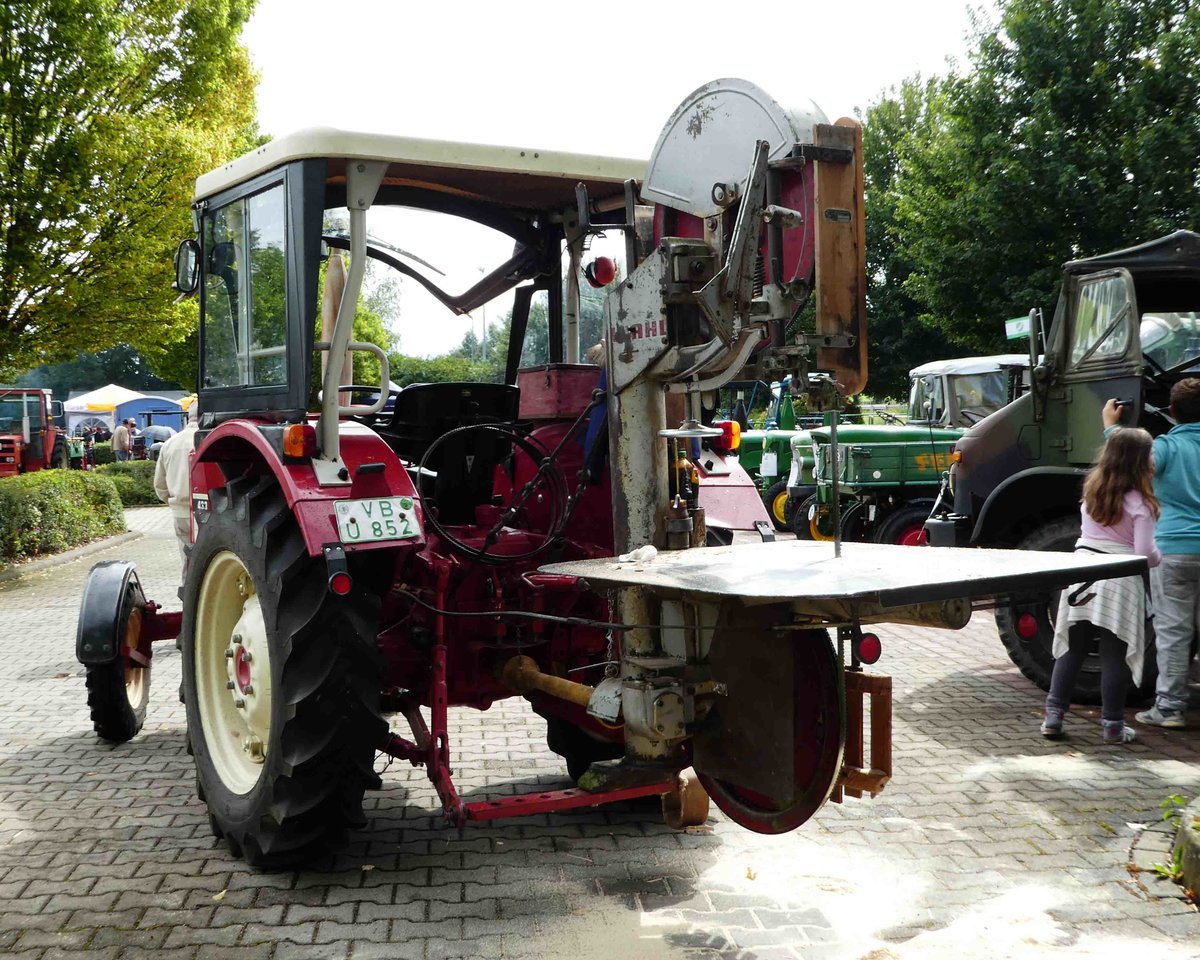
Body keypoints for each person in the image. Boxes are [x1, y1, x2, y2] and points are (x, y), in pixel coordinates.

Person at [1041, 427, 1161, 744]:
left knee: (1072, 649)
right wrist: (1160, 556)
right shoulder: (1141, 504)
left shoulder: (1092, 492)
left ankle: (1053, 716)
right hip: (1119, 581)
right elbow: (1144, 553)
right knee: (1114, 656)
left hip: (1081, 573)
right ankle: (1112, 726)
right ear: (1139, 461)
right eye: (1150, 453)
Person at [1104, 378, 1200, 729]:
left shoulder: (1167, 448)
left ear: (1172, 411)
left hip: (1174, 549)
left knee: (1174, 630)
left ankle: (1169, 709)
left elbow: (1129, 462)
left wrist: (1111, 427)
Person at [154, 406, 199, 575]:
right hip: (206, 511)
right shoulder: (209, 439)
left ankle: (187, 590)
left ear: (188, 417)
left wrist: (173, 501)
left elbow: (159, 484)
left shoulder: (169, 444)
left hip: (179, 511)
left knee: (187, 561)